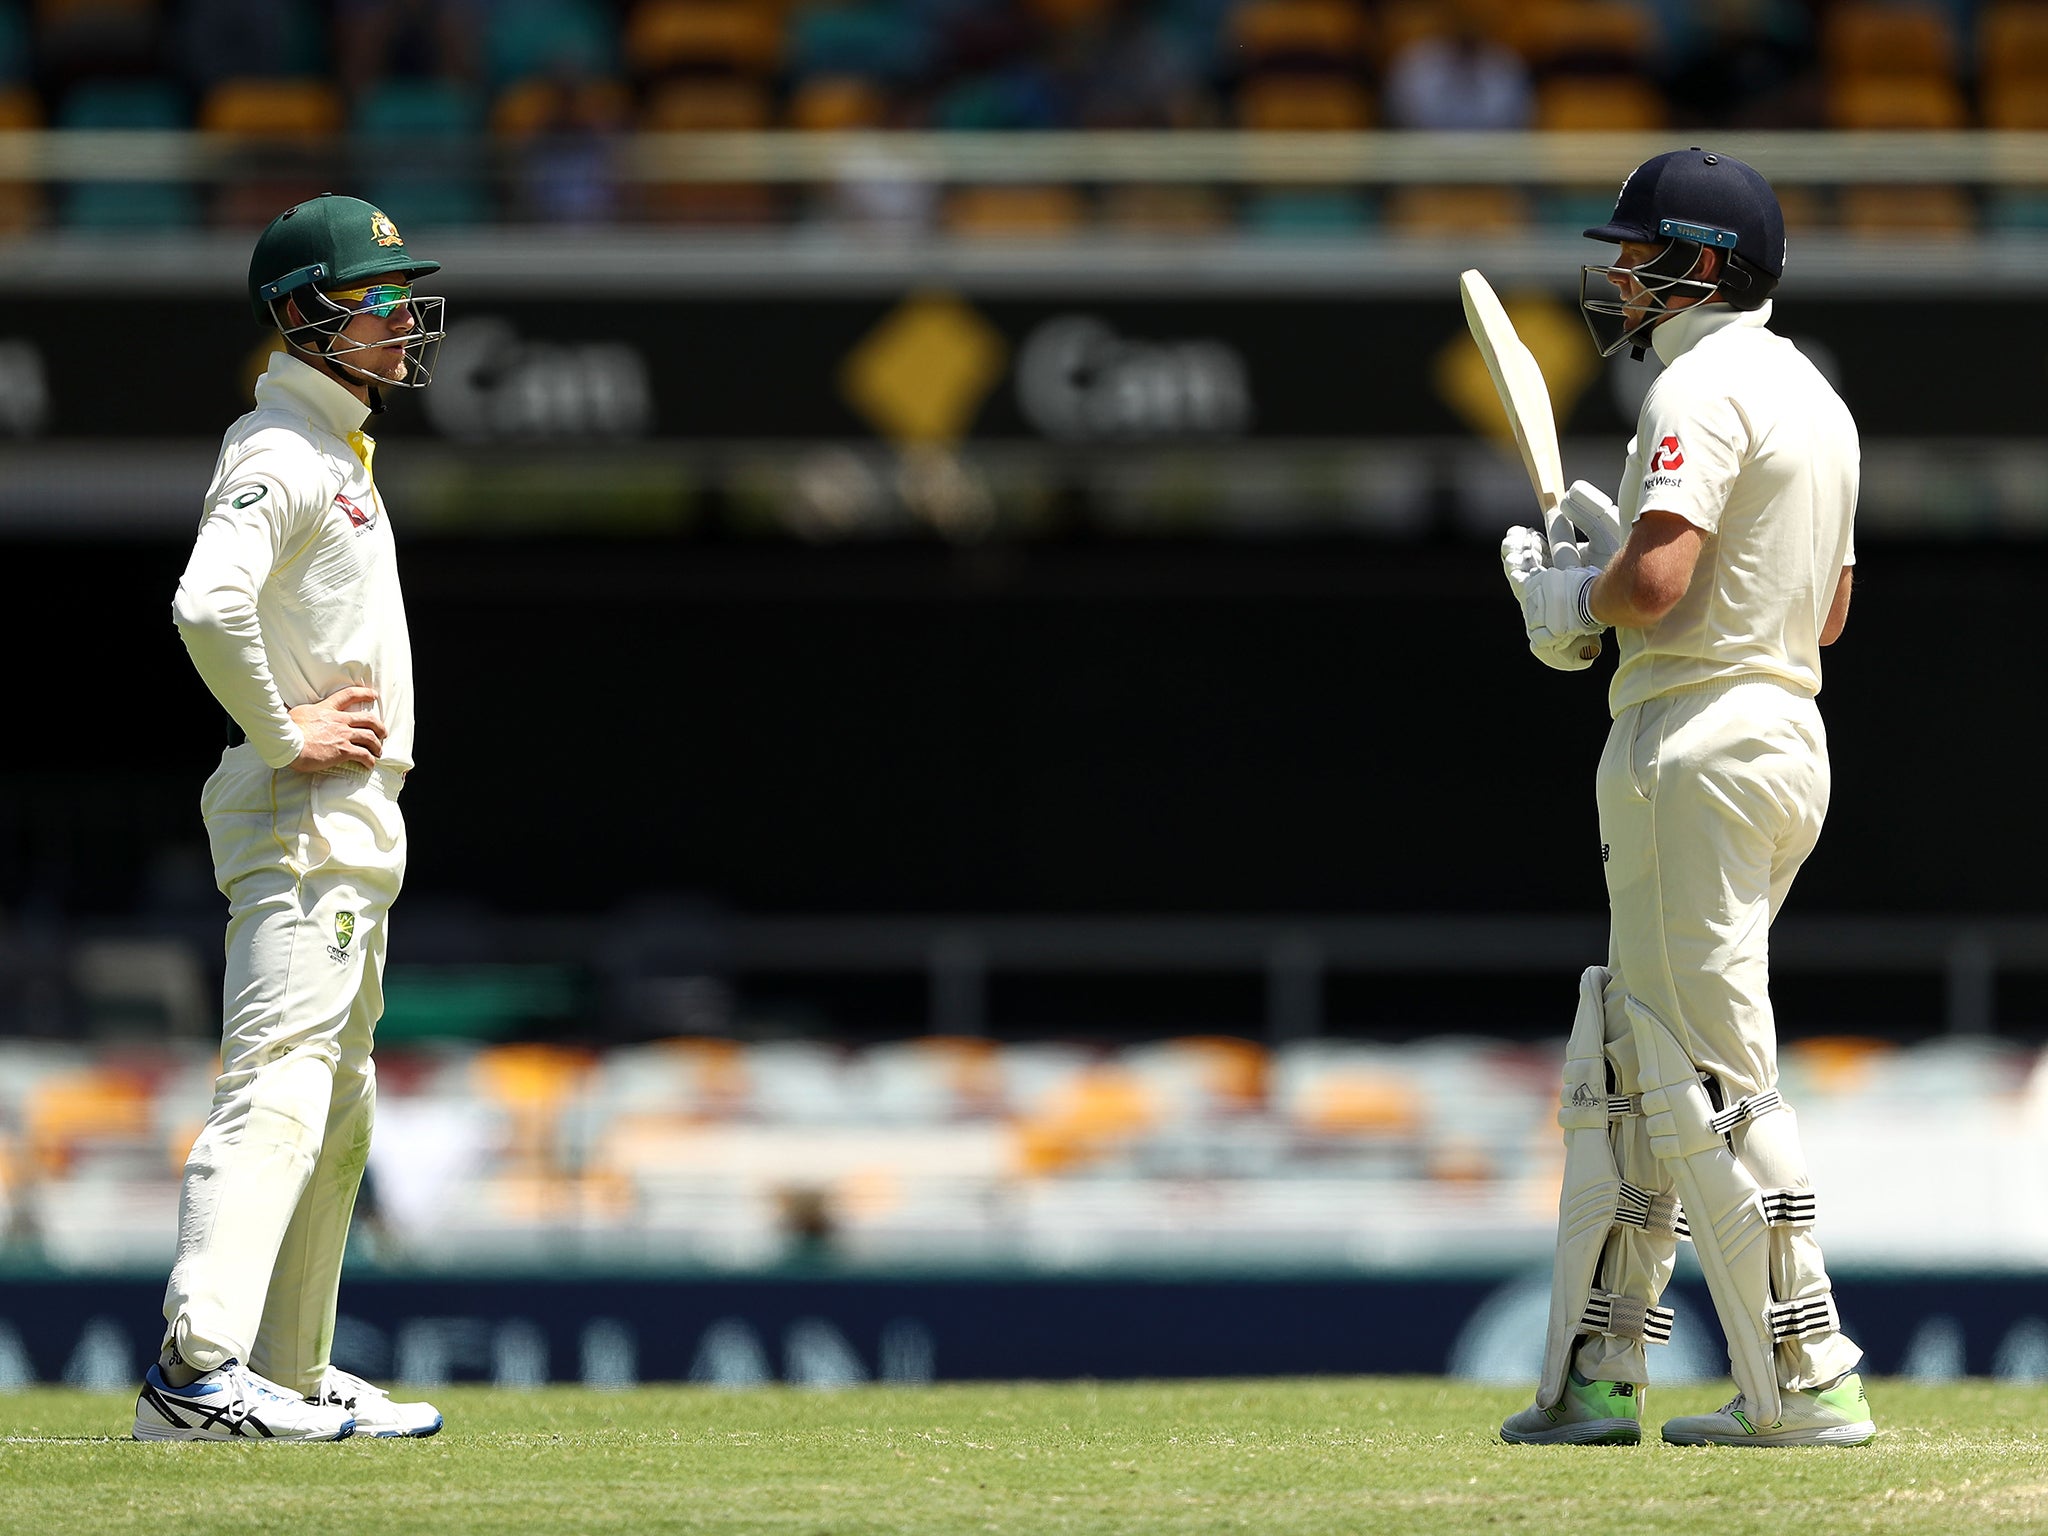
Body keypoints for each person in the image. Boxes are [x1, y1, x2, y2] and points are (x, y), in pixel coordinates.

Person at [1495, 149, 1873, 1448]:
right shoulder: (1818, 399)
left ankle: (1809, 1381)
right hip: (1786, 741)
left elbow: (1655, 586)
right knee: (1633, 1065)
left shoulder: (1696, 384)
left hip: (1690, 746)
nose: (1617, 274)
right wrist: (1616, 576)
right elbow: (1828, 606)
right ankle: (1598, 1374)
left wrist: (1572, 604)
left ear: (1700, 267)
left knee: (1707, 1075)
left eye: (1639, 251)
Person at [134, 193, 447, 1442]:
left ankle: (292, 1371)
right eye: (375, 299)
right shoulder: (278, 451)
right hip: (303, 816)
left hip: (350, 825)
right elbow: (206, 606)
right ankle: (196, 1378)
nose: (400, 319)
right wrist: (286, 733)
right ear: (305, 316)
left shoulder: (334, 453)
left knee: (340, 1097)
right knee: (278, 1086)